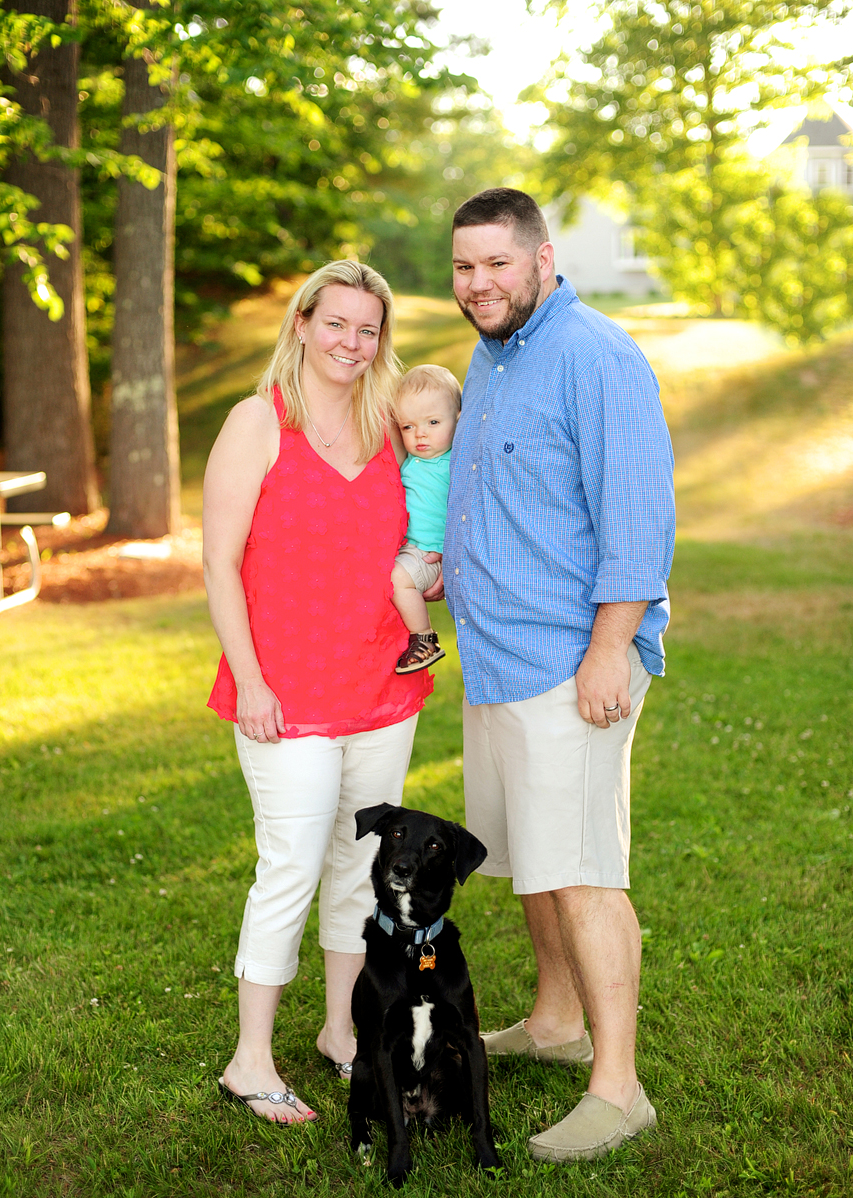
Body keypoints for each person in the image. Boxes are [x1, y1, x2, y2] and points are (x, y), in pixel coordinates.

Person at [443, 188, 675, 1162]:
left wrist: (609, 648)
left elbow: (636, 519)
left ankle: (618, 1091)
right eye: (463, 267)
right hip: (496, 660)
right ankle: (554, 1019)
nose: (478, 283)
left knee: (581, 869)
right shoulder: (491, 357)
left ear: (543, 259)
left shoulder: (597, 356)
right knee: (533, 862)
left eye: (497, 263)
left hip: (570, 661)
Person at [203, 261, 433, 1124]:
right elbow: (220, 564)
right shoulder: (257, 422)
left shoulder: (389, 426)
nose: (351, 342)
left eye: (367, 329)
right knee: (290, 866)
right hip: (284, 695)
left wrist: (426, 573)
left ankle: (340, 1033)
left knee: (360, 869)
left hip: (379, 685)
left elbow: (409, 541)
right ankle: (249, 1060)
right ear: (302, 323)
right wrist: (252, 681)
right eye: (335, 323)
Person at [390, 364, 461, 674]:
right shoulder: (413, 462)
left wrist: (452, 552)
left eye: (433, 422)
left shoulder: (455, 463)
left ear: (458, 420)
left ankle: (425, 638)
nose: (420, 434)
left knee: (397, 581)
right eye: (408, 427)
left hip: (430, 552)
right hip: (413, 547)